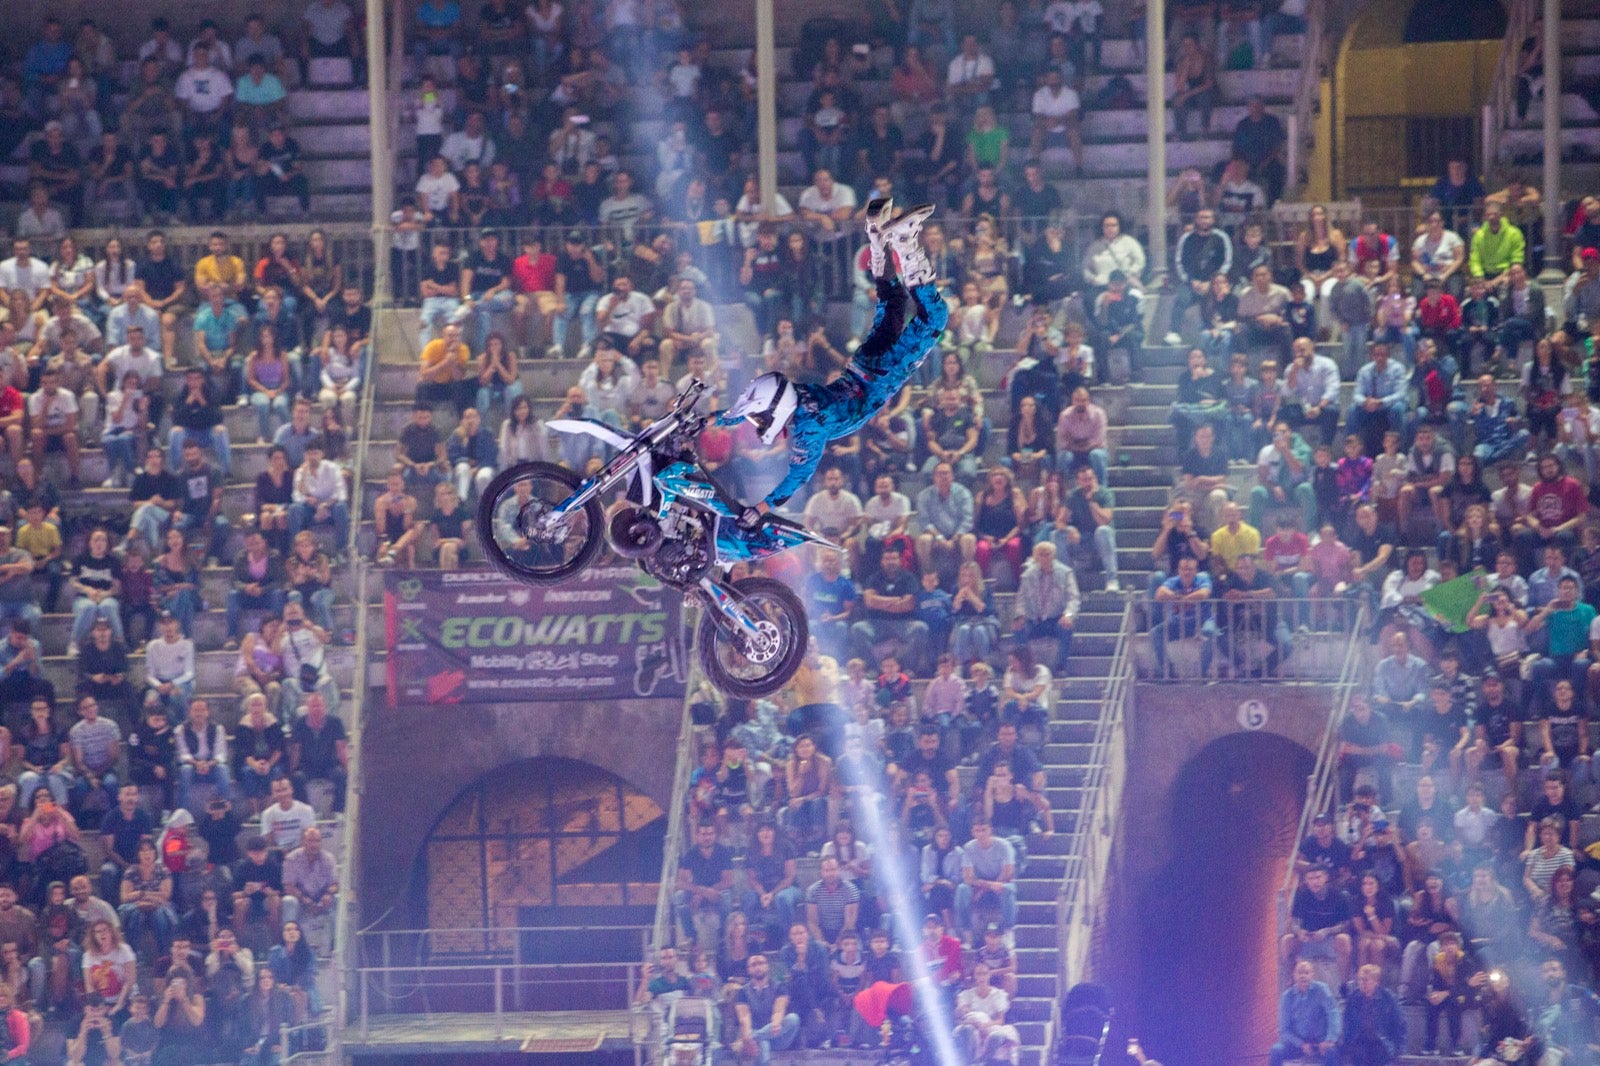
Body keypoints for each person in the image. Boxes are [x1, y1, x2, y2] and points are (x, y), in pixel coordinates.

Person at [718, 200, 948, 529]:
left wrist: (760, 508)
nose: (765, 424)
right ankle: (877, 238)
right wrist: (721, 417)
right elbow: (756, 401)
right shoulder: (796, 391)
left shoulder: (808, 432)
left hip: (881, 376)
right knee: (891, 299)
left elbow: (795, 480)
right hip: (861, 363)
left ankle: (905, 240)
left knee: (934, 316)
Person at [1270, 959, 1340, 1066]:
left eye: (1306, 973)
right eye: (1299, 973)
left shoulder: (1322, 989)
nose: (1303, 976)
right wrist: (1301, 1044)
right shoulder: (1287, 996)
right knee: (1276, 1050)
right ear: (1294, 975)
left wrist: (1329, 1039)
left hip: (1320, 1042)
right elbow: (1284, 1029)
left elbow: (1333, 1014)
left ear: (1312, 975)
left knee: (1332, 1052)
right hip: (1297, 1043)